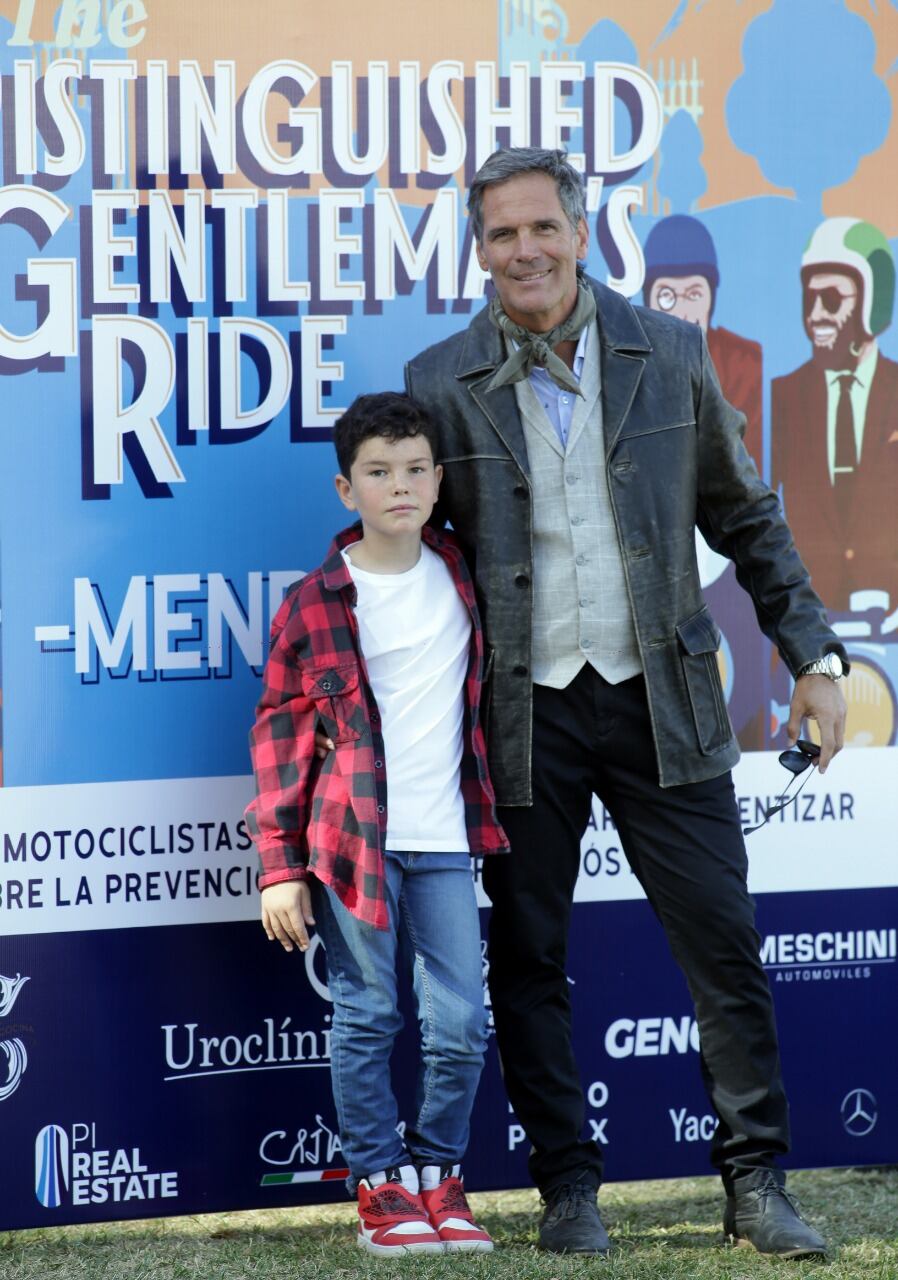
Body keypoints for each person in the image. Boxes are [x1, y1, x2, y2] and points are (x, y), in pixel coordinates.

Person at [405, 147, 848, 1259]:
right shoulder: (436, 378)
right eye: (500, 234)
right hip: (523, 713)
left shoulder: (673, 354)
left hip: (665, 700)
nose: (523, 251)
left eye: (540, 228)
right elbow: (416, 557)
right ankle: (568, 1188)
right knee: (528, 956)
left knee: (722, 943)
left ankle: (754, 1181)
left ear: (581, 228)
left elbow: (747, 519)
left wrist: (815, 659)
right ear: (479, 246)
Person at [245, 392, 507, 1256]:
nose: (401, 486)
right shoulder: (316, 602)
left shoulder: (463, 573)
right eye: (379, 472)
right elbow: (280, 739)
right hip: (352, 842)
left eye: (416, 469)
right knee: (366, 1017)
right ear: (345, 488)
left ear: (439, 480)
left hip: (445, 838)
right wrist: (278, 865)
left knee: (463, 1021)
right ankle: (379, 1184)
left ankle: (439, 1175)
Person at [771, 217, 898, 612]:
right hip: (803, 636)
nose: (815, 316)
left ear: (872, 304)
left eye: (831, 300)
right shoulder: (780, 397)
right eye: (810, 299)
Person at [643, 213, 763, 469]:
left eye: (694, 294)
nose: (682, 313)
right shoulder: (623, 360)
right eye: (667, 295)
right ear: (647, 299)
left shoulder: (744, 361)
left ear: (712, 298)